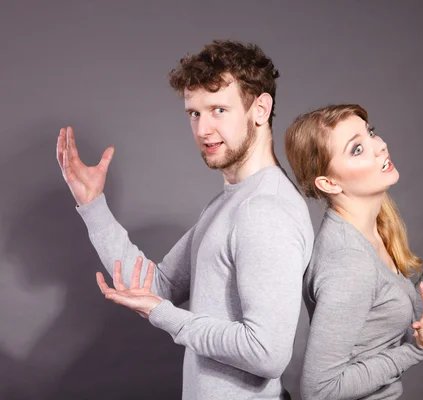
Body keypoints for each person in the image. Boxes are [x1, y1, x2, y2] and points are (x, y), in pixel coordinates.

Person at [55, 40, 314, 400]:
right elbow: (156, 288)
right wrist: (93, 205)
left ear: (260, 109)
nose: (203, 129)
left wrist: (165, 315)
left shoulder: (264, 209)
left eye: (218, 110)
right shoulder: (231, 201)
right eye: (194, 113)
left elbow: (266, 353)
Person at [284, 104, 423, 399]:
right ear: (329, 182)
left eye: (370, 133)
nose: (380, 145)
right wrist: (415, 352)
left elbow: (392, 325)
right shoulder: (348, 262)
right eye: (357, 149)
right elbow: (319, 391)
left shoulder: (371, 231)